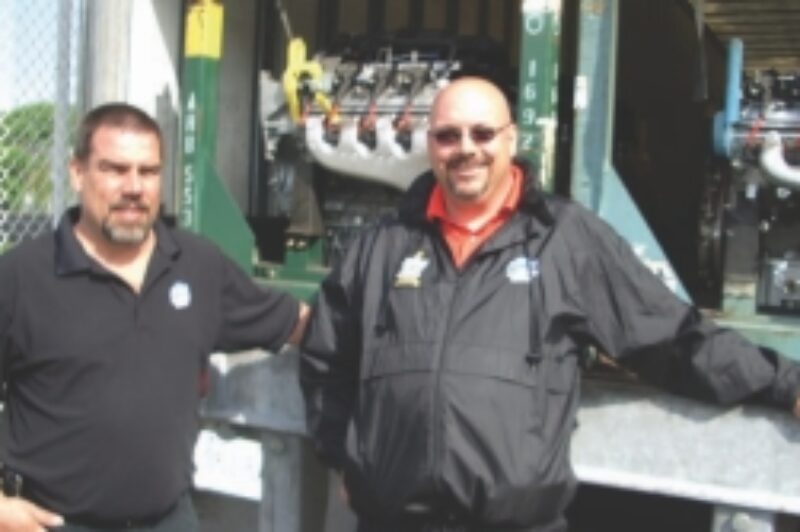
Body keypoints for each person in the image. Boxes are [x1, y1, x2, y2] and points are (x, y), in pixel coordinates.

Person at [299, 76, 800, 532]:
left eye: (482, 133)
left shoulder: (564, 239)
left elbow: (669, 336)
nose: (465, 149)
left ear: (511, 140)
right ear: (429, 145)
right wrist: (343, 456)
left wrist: (783, 383)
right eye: (448, 136)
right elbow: (326, 357)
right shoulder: (381, 245)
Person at [0, 102, 309, 531]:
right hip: (52, 523)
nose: (134, 187)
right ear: (77, 172)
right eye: (114, 169)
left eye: (148, 172)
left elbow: (298, 323)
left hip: (169, 519)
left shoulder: (198, 266)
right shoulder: (21, 277)